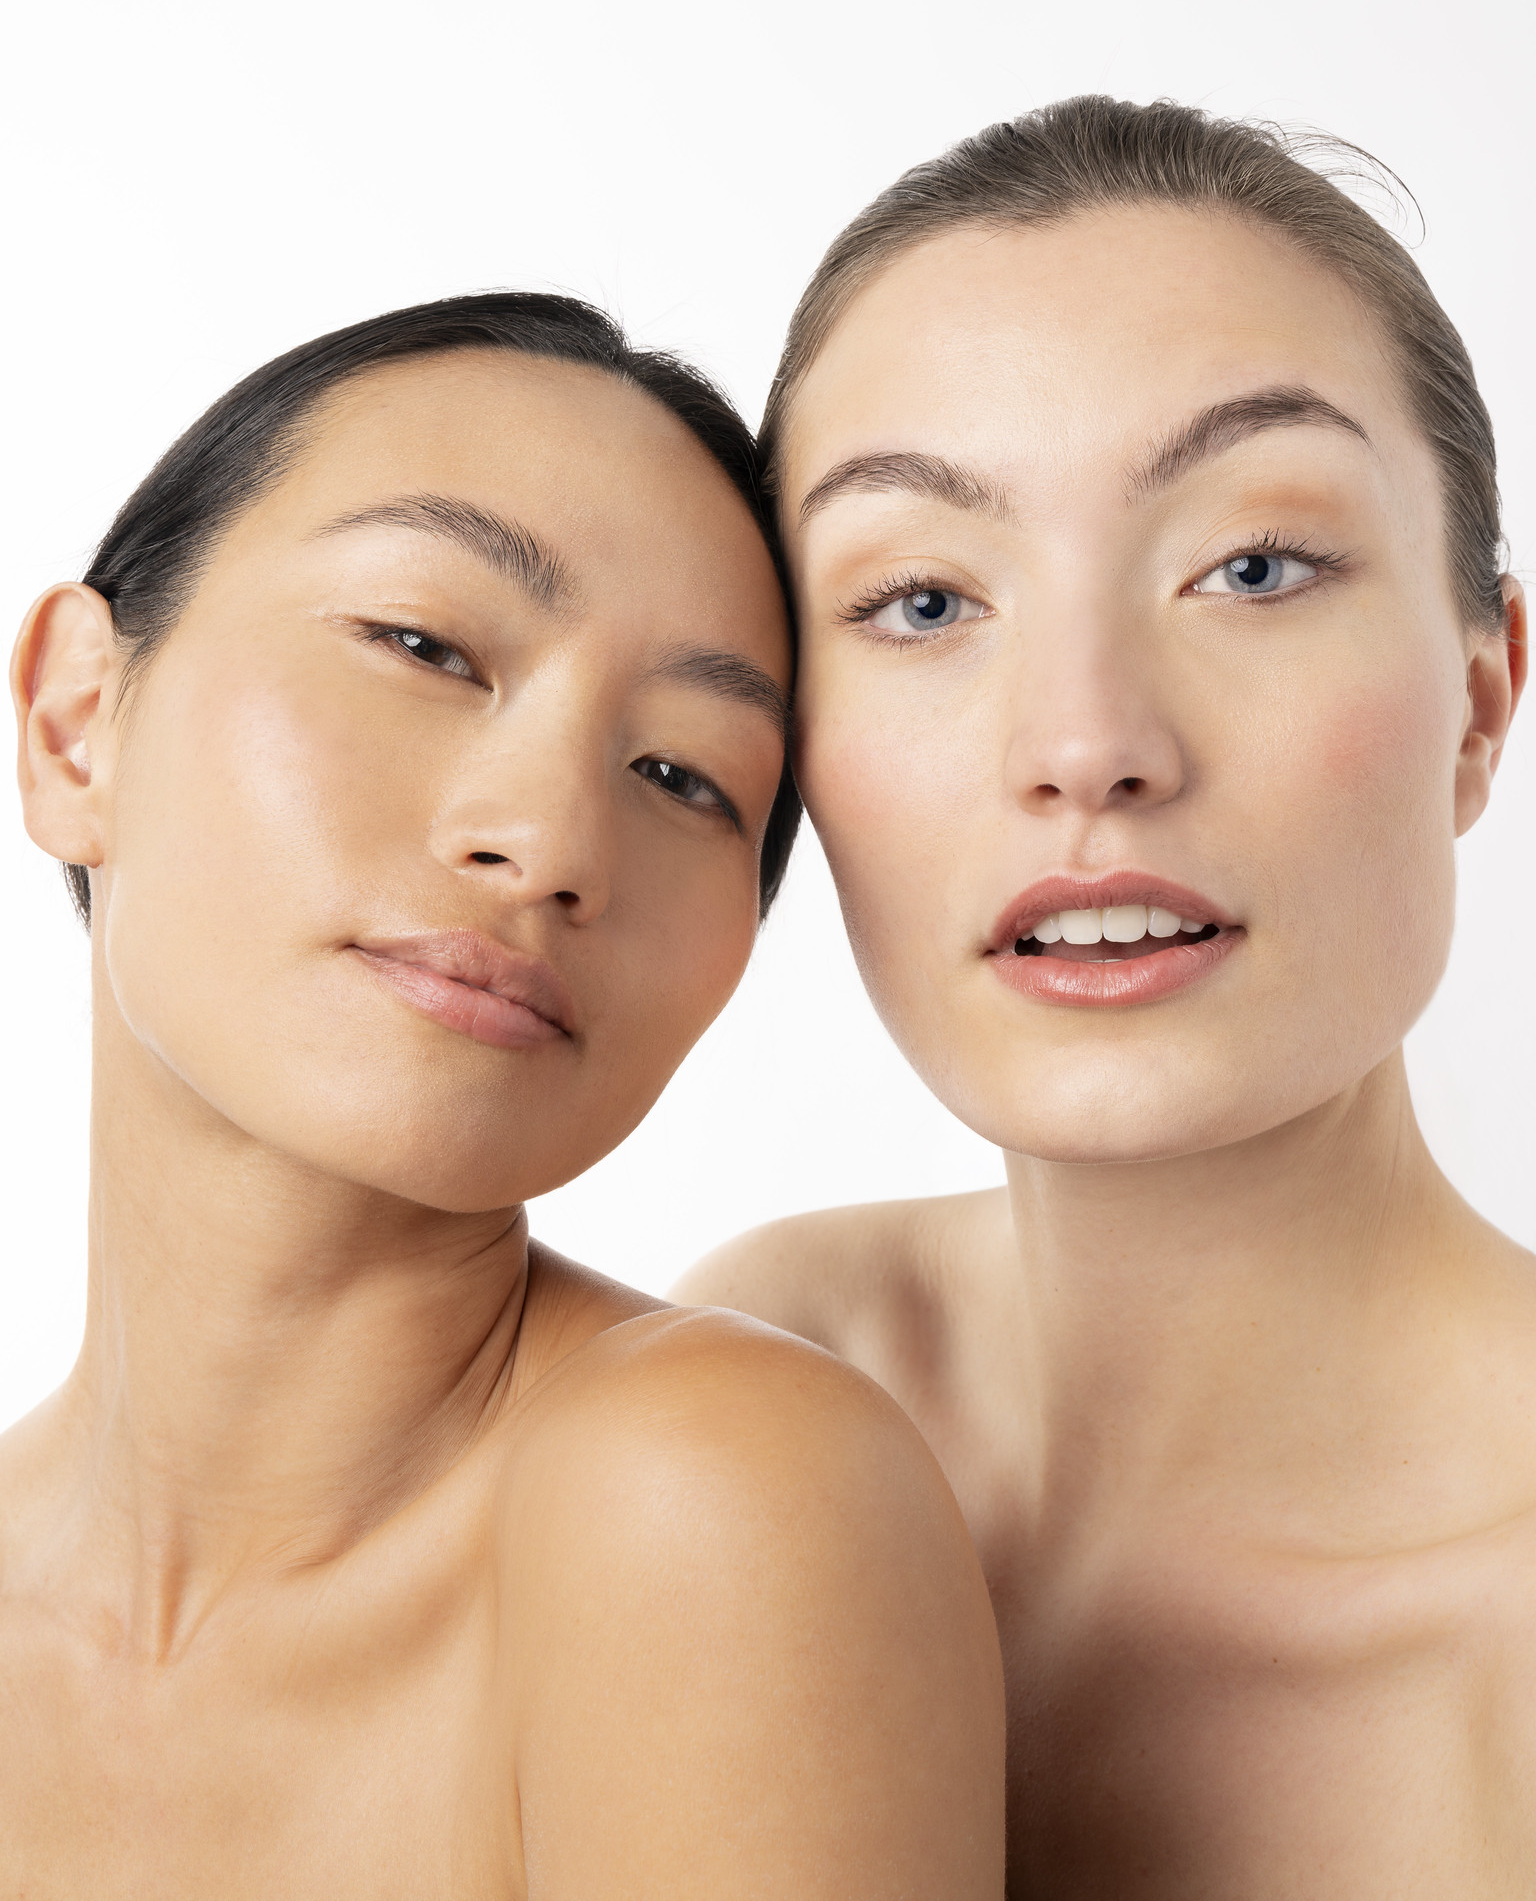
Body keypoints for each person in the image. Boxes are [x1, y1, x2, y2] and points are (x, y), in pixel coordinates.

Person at [0, 294, 1005, 1896]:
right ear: (74, 724)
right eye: (425, 647)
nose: (545, 843)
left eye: (685, 776)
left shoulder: (713, 1494)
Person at [677, 98, 1532, 1896]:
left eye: (1254, 568)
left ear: (1479, 703)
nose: (1085, 745)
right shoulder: (766, 1382)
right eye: (922, 601)